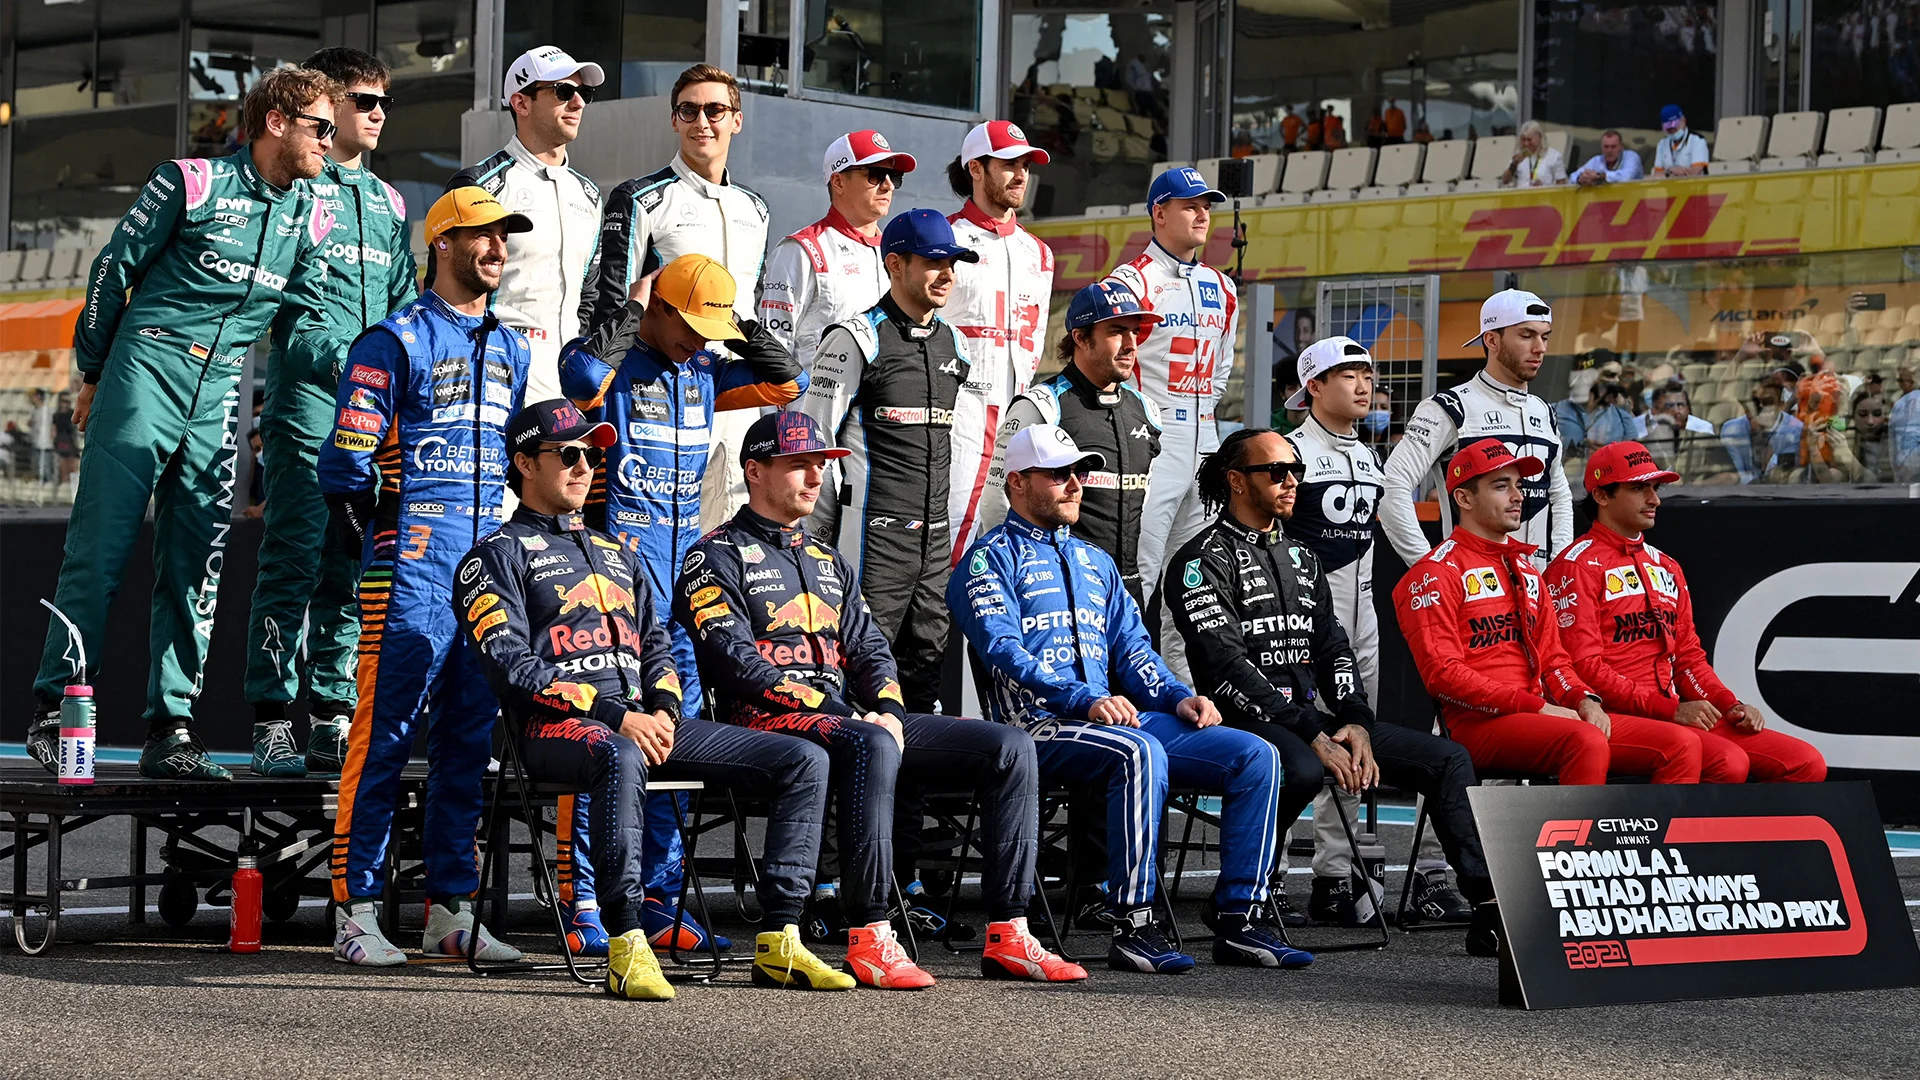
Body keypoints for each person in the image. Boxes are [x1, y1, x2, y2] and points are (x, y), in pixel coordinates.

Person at [675, 411, 1085, 987]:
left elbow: (871, 650)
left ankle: (1009, 932)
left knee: (1010, 746)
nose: (816, 478)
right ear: (755, 471)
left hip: (849, 720)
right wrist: (848, 713)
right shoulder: (714, 555)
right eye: (799, 465)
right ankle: (870, 933)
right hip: (764, 725)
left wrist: (890, 709)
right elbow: (735, 664)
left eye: (821, 465)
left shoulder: (827, 560)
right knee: (870, 740)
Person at [456, 399, 848, 998]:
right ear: (525, 464)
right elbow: (513, 667)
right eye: (568, 454)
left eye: (593, 456)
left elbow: (658, 646)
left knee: (803, 757)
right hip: (552, 729)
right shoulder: (493, 557)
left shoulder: (619, 553)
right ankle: (626, 940)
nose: (584, 467)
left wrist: (663, 709)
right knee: (619, 753)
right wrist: (616, 716)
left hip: (641, 722)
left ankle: (781, 937)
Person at [25, 67, 338, 779]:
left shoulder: (311, 215)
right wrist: (94, 372)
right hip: (145, 369)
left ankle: (171, 731)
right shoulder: (190, 182)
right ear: (277, 122)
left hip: (220, 389)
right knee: (101, 552)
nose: (331, 139)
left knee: (196, 566)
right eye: (321, 126)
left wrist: (356, 362)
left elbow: (302, 327)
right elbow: (111, 273)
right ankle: (53, 710)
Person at [951, 424, 1304, 974]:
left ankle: (1240, 918)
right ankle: (1134, 923)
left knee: (1255, 754)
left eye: (1078, 473)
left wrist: (1180, 697)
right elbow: (1003, 650)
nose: (1075, 484)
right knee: (1138, 752)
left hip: (1109, 720)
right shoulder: (986, 560)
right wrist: (1083, 698)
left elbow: (1135, 651)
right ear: (1017, 482)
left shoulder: (1096, 561)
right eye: (1058, 474)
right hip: (1032, 729)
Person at [1169, 428, 1500, 953]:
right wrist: (1313, 732)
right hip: (1237, 722)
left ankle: (1490, 910)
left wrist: (1356, 722)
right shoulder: (1200, 559)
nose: (1291, 481)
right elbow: (1226, 665)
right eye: (1276, 471)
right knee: (1300, 766)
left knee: (1447, 758)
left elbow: (1334, 650)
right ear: (1236, 481)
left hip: (1307, 721)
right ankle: (1240, 899)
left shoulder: (1303, 556)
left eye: (1296, 471)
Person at [557, 252, 803, 948]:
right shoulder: (615, 365)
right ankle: (585, 903)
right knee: (607, 741)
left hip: (683, 591)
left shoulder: (705, 372)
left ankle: (660, 900)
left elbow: (788, 379)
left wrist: (731, 323)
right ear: (658, 308)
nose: (699, 340)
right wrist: (635, 307)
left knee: (675, 742)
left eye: (709, 331)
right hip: (611, 586)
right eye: (690, 325)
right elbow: (581, 378)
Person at [318, 185, 532, 966]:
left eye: (504, 237)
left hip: (481, 575)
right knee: (382, 738)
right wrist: (378, 537)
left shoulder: (513, 348)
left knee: (467, 746)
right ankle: (355, 912)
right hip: (407, 570)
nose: (497, 249)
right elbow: (345, 466)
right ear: (441, 242)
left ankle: (450, 910)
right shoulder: (394, 340)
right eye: (481, 235)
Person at [245, 47, 418, 778]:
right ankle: (269, 720)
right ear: (327, 104)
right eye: (363, 101)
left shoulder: (390, 203)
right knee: (294, 558)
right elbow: (288, 310)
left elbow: (406, 307)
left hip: (373, 414)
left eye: (384, 103)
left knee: (353, 562)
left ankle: (330, 714)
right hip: (308, 403)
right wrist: (357, 365)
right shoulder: (296, 191)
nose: (377, 115)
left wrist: (400, 379)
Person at [1273, 338, 1469, 926]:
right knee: (1292, 747)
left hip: (1363, 625)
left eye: (1367, 374)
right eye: (1346, 375)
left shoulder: (1368, 457)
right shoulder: (1289, 452)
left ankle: (1334, 874)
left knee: (1357, 745)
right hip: (1300, 626)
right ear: (1312, 386)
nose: (1363, 385)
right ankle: (1269, 875)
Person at [1393, 442, 1703, 786]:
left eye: (1519, 485)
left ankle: (1641, 828)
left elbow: (1554, 662)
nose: (1518, 496)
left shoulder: (1526, 570)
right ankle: (1579, 826)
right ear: (1464, 499)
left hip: (1537, 715)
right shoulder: (1433, 573)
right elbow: (1443, 675)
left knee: (1683, 744)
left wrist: (1584, 700)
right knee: (1585, 740)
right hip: (1475, 724)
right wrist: (1536, 706)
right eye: (1501, 486)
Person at [1548, 442, 1827, 785]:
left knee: (1804, 763)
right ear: (1602, 496)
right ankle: (1673, 823)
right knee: (1726, 762)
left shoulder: (1667, 566)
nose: (1654, 500)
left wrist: (1729, 705)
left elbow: (1688, 660)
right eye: (1639, 488)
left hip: (1670, 713)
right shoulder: (1574, 567)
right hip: (1611, 716)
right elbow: (1585, 667)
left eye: (1656, 488)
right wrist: (1670, 709)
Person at [797, 208, 981, 711]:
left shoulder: (956, 344)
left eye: (952, 263)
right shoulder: (855, 338)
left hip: (934, 542)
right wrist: (817, 542)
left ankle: (917, 766)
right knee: (863, 673)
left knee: (925, 674)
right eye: (933, 262)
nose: (947, 274)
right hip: (872, 538)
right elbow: (814, 445)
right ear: (895, 264)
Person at [580, 64, 770, 532]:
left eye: (714, 110)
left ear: (737, 120)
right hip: (658, 393)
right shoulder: (640, 197)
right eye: (688, 110)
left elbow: (751, 302)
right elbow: (612, 304)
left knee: (730, 531)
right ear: (673, 120)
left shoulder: (756, 208)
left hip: (733, 388)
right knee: (653, 529)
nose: (701, 121)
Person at [1104, 166, 1238, 681]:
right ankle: (1120, 687)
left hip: (1206, 440)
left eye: (1207, 206)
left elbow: (1222, 371)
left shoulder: (1222, 286)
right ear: (1159, 213)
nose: (1202, 215)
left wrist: (1196, 414)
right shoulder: (1130, 281)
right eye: (1190, 206)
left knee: (1196, 579)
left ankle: (1185, 692)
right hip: (1151, 439)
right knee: (1137, 570)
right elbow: (1110, 363)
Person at [982, 280, 1162, 605]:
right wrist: (1024, 576)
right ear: (1080, 337)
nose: (1130, 345)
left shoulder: (1146, 410)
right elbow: (997, 501)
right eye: (1117, 332)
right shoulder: (1041, 405)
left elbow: (1145, 504)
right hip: (1057, 587)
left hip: (1126, 590)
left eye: (1135, 332)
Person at [449, 46, 605, 404]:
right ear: (521, 103)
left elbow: (589, 297)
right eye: (564, 91)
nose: (578, 102)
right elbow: (449, 292)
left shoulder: (590, 194)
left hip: (565, 379)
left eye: (584, 92)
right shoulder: (479, 185)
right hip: (493, 370)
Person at [1380, 289, 1573, 572]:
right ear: (1492, 340)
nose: (1540, 348)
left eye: (1545, 337)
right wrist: (1430, 567)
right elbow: (1391, 484)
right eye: (1526, 335)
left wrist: (1561, 565)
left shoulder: (1543, 410)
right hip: (1473, 584)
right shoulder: (1448, 406)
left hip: (1538, 584)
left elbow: (1560, 494)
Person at [943, 120, 1056, 556]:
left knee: (1016, 536)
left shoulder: (1039, 252)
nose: (1021, 174)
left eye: (1025, 165)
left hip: (1018, 412)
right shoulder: (946, 237)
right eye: (1009, 164)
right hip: (960, 412)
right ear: (976, 168)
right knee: (957, 528)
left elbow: (1037, 337)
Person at [759, 130, 916, 371]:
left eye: (894, 176)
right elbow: (773, 345)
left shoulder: (898, 254)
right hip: (815, 395)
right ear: (838, 182)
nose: (888, 186)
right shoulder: (801, 250)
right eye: (875, 175)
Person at [1720, 368, 1805, 484]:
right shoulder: (1730, 430)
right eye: (1755, 403)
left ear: (1781, 405)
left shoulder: (1795, 430)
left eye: (1767, 403)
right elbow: (1736, 475)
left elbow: (1779, 476)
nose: (1759, 410)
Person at [1502, 120, 1566, 187]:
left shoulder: (1554, 156)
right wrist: (1513, 165)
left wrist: (1544, 186)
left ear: (1539, 137)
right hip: (1523, 193)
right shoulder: (1519, 156)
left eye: (1529, 140)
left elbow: (1562, 185)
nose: (1526, 144)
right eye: (1523, 140)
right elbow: (1505, 181)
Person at [1652, 105, 1709, 178]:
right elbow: (1657, 174)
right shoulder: (1662, 144)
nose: (1672, 130)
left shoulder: (1697, 140)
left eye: (1674, 126)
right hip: (1670, 184)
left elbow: (1696, 171)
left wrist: (1672, 173)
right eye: (1668, 128)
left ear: (1683, 121)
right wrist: (1670, 171)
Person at [1572, 130, 1645, 186]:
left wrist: (1599, 176)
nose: (1609, 150)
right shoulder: (1597, 160)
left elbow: (1626, 177)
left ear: (1621, 147)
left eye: (1613, 147)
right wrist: (1580, 179)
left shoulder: (1631, 157)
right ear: (1601, 147)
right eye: (1606, 147)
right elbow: (1572, 177)